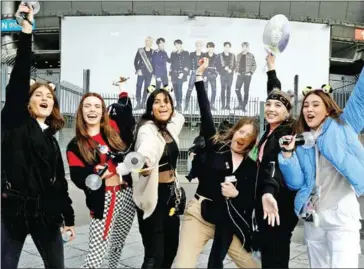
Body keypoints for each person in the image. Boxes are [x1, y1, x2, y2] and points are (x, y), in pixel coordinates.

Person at [1, 4, 75, 269]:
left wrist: (67, 216)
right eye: (37, 95)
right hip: (13, 212)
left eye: (48, 96)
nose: (44, 98)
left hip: (46, 213)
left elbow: (58, 182)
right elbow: (20, 78)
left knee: (57, 265)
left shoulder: (52, 139)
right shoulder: (14, 122)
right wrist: (27, 32)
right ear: (27, 102)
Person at [175, 58, 259, 268]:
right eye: (241, 131)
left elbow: (250, 198)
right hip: (199, 214)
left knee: (253, 265)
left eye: (249, 135)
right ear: (233, 132)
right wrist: (199, 78)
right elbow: (206, 113)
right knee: (183, 265)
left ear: (253, 141)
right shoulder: (216, 146)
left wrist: (237, 195)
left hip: (227, 222)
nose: (243, 137)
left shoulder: (251, 166)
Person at [278, 67, 364, 268]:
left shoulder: (345, 125)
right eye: (306, 105)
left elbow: (361, 96)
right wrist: (288, 154)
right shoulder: (301, 140)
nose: (309, 109)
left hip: (342, 214)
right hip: (313, 217)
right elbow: (296, 182)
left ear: (328, 108)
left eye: (316, 104)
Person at [66, 90, 135, 268]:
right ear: (81, 111)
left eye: (97, 106)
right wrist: (93, 171)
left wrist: (123, 93)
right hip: (104, 200)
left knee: (118, 244)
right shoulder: (76, 145)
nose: (92, 110)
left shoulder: (112, 131)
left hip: (127, 194)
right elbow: (76, 175)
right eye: (87, 106)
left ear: (103, 111)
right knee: (96, 255)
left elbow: (127, 116)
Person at [132, 86, 185, 268]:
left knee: (171, 249)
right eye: (157, 102)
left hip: (171, 196)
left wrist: (168, 93)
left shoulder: (169, 128)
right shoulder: (147, 129)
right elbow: (147, 148)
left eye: (166, 101)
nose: (163, 106)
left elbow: (179, 116)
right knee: (155, 255)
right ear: (150, 108)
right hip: (154, 196)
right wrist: (144, 161)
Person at [254, 54, 298, 268]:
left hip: (278, 201)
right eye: (268, 104)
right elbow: (275, 92)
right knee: (269, 253)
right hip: (267, 197)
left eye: (277, 106)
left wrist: (268, 192)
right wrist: (271, 68)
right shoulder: (270, 130)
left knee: (275, 255)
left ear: (287, 113)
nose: (271, 108)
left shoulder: (286, 131)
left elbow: (274, 164)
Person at [184, 41, 206, 112]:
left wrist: (204, 75)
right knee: (189, 89)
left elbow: (205, 66)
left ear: (201, 47)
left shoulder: (204, 54)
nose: (198, 47)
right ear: (195, 46)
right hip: (193, 73)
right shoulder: (191, 54)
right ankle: (186, 106)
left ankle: (197, 107)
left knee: (199, 91)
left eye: (200, 46)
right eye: (197, 46)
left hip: (200, 74)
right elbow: (188, 63)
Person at [235, 42, 257, 112]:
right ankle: (240, 104)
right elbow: (235, 65)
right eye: (243, 47)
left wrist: (250, 73)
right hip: (240, 75)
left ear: (248, 47)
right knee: (237, 89)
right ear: (242, 47)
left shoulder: (251, 55)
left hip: (247, 75)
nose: (244, 48)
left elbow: (254, 65)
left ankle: (244, 106)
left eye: (246, 47)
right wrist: (236, 71)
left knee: (246, 91)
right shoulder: (238, 55)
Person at [134, 36, 154, 109]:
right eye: (147, 41)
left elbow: (154, 63)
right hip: (141, 72)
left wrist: (153, 73)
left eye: (150, 41)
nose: (148, 42)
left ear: (151, 43)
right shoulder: (140, 50)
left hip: (149, 72)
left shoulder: (153, 51)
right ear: (145, 42)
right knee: (138, 87)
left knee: (146, 88)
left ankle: (143, 103)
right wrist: (138, 70)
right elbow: (136, 61)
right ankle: (138, 103)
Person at [170, 39, 190, 112]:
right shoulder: (173, 53)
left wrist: (183, 73)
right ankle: (177, 105)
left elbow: (188, 64)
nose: (177, 46)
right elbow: (171, 65)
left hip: (181, 74)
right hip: (174, 74)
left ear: (181, 44)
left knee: (179, 89)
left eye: (178, 44)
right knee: (175, 90)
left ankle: (179, 105)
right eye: (175, 44)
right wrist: (170, 74)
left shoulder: (186, 53)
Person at [218, 42, 236, 110]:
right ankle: (223, 105)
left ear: (229, 48)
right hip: (222, 75)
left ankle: (228, 105)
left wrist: (231, 70)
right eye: (226, 46)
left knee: (229, 90)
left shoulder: (233, 55)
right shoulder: (220, 55)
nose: (227, 48)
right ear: (224, 47)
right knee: (223, 90)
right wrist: (223, 69)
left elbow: (235, 65)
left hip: (230, 75)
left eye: (228, 47)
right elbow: (218, 66)